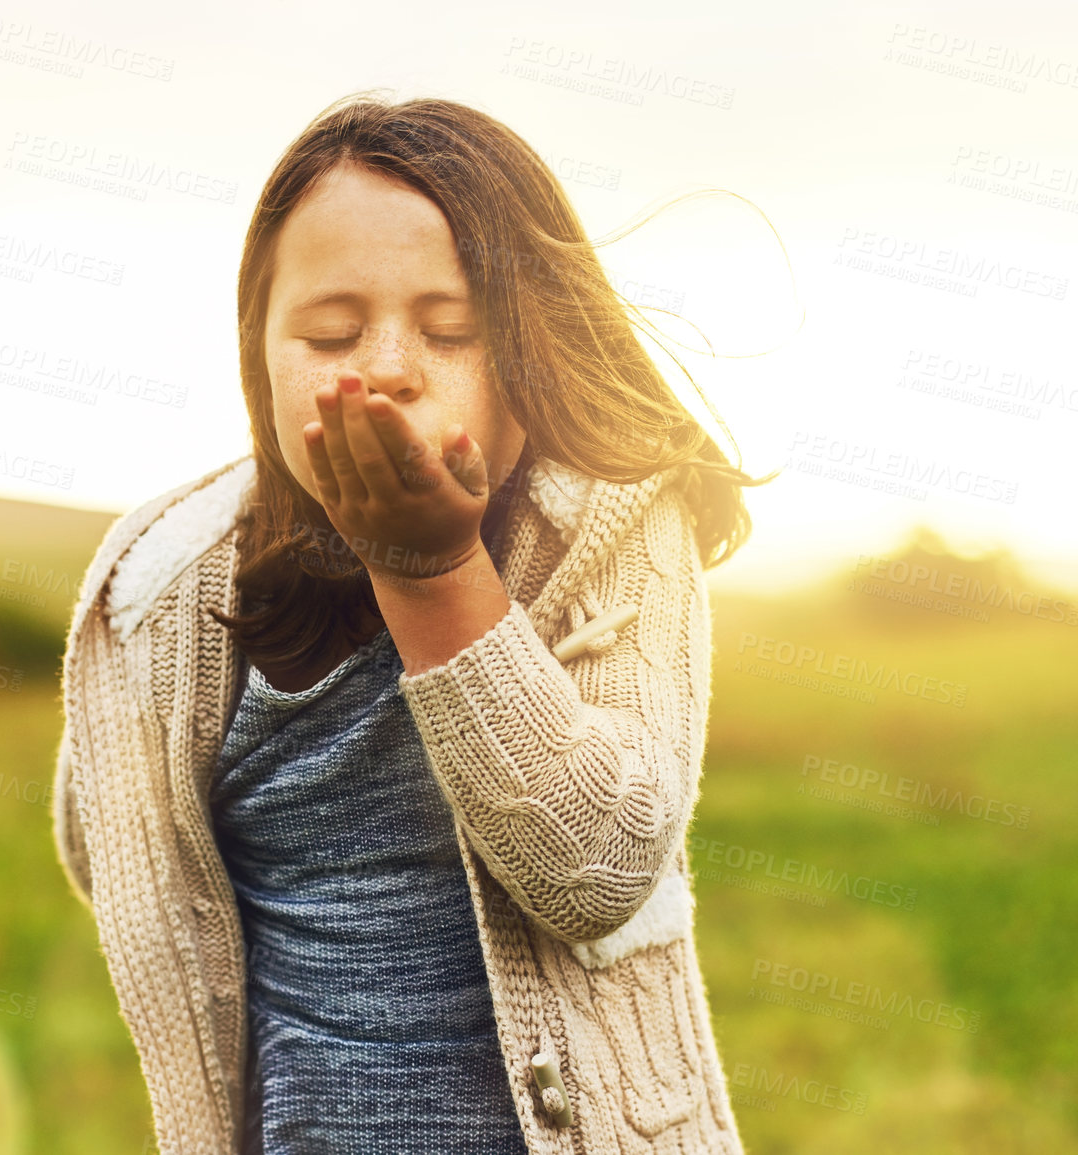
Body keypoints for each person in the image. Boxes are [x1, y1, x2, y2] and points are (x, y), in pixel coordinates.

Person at [52, 92, 769, 1155]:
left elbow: (601, 869)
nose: (387, 366)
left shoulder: (610, 528)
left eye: (451, 331)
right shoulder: (169, 586)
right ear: (261, 353)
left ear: (534, 352)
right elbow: (114, 855)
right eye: (332, 331)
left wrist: (433, 575)